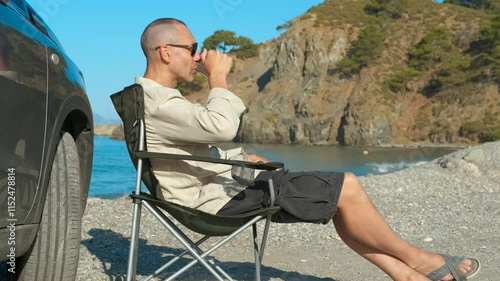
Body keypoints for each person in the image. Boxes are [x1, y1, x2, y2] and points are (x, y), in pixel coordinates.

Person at [135, 18, 480, 281]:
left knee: (338, 200)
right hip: (215, 203)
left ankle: (404, 275)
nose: (198, 57)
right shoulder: (158, 102)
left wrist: (241, 159)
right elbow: (223, 127)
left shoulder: (154, 100)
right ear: (167, 52)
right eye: (193, 48)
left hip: (216, 192)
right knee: (346, 185)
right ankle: (421, 261)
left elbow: (185, 155)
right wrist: (218, 78)